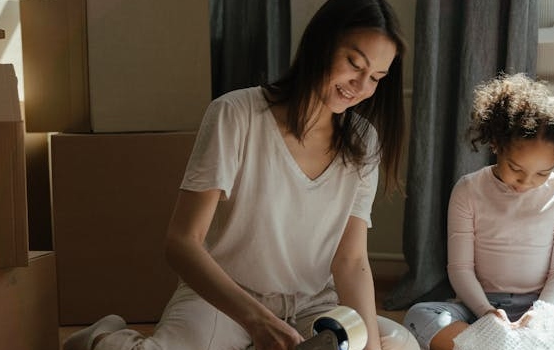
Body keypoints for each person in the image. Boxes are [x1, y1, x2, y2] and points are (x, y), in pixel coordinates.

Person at [63, 0, 419, 349]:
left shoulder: (363, 141)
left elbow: (351, 260)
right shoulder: (236, 114)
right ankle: (103, 337)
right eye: (354, 64)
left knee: (396, 342)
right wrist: (257, 320)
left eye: (376, 77)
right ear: (321, 44)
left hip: (312, 306)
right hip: (224, 300)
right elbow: (181, 242)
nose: (361, 85)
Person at [403, 73, 554, 350]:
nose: (526, 183)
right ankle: (528, 344)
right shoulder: (468, 190)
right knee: (419, 315)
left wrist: (539, 315)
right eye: (516, 169)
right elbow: (460, 269)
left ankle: (501, 344)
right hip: (480, 309)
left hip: (542, 308)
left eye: (542, 174)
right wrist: (487, 312)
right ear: (497, 145)